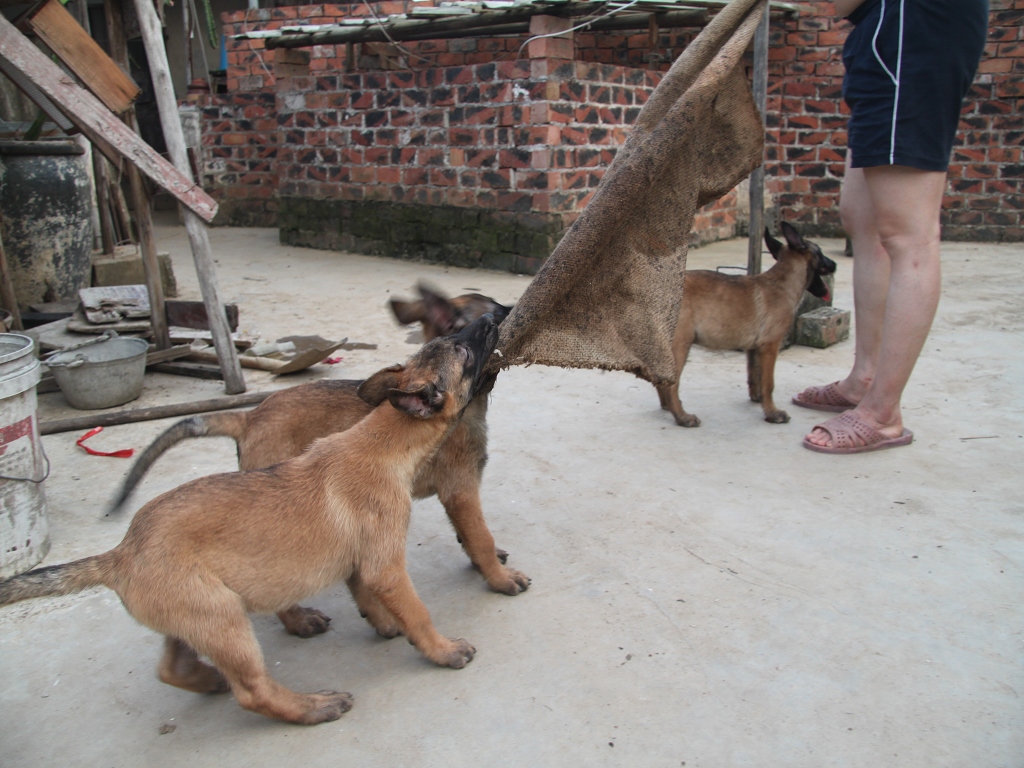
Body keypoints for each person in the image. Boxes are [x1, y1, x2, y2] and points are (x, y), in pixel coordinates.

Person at [792, 0, 989, 454]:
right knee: (862, 218)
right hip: (882, 27)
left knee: (908, 234)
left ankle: (882, 415)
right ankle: (863, 379)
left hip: (912, 26)